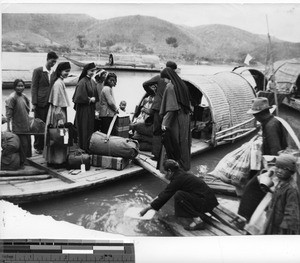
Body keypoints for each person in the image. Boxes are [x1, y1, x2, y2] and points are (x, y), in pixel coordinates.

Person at [238, 97, 288, 222]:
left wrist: (269, 171)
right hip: (274, 164)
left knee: (251, 188)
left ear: (260, 114)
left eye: (255, 115)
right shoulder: (272, 122)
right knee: (252, 182)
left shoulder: (271, 126)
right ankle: (251, 217)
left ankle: (244, 218)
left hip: (274, 166)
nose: (255, 117)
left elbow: (275, 151)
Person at [139, 159, 219, 231]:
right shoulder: (179, 173)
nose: (164, 175)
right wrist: (153, 202)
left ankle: (197, 220)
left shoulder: (178, 179)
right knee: (179, 194)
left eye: (165, 172)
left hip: (206, 203)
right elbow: (167, 191)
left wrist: (147, 208)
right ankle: (185, 215)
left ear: (170, 171)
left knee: (179, 195)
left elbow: (166, 195)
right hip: (209, 200)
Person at [142, 61, 178, 160]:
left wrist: (152, 93)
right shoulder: (175, 80)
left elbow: (145, 84)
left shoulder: (159, 77)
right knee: (166, 131)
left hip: (158, 108)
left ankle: (157, 155)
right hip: (169, 109)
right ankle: (167, 154)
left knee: (157, 131)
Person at [159, 67, 192, 171]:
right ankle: (184, 166)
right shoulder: (181, 84)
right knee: (184, 142)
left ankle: (171, 169)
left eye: (164, 78)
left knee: (172, 142)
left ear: (168, 77)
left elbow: (172, 108)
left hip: (175, 118)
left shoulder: (170, 86)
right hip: (185, 117)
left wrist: (164, 124)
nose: (164, 81)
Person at [264, 154, 300, 234]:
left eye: (284, 169)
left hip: (282, 228)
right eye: (278, 167)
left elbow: (291, 212)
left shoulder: (291, 189)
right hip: (273, 221)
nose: (279, 171)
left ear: (291, 172)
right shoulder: (280, 183)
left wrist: (285, 231)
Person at [44, 62, 71, 166]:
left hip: (58, 111)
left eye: (68, 71)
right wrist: (59, 119)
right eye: (66, 71)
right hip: (57, 113)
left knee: (58, 136)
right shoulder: (58, 84)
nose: (67, 73)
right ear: (60, 71)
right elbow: (57, 104)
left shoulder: (59, 82)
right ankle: (57, 160)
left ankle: (57, 159)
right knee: (58, 135)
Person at [31, 51, 58, 154]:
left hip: (49, 103)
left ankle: (45, 145)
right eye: (52, 61)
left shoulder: (53, 73)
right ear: (47, 59)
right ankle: (38, 146)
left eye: (55, 62)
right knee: (38, 125)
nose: (53, 64)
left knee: (48, 125)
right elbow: (34, 87)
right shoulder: (38, 71)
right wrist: (34, 103)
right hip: (40, 102)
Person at [72, 62, 98, 151]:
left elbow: (96, 94)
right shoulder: (82, 82)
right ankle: (83, 147)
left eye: (94, 71)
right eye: (91, 71)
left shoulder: (92, 81)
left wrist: (94, 99)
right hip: (83, 109)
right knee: (84, 128)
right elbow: (78, 97)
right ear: (86, 71)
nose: (93, 73)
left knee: (90, 127)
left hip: (90, 109)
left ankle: (88, 146)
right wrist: (90, 100)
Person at [5, 79, 32, 166]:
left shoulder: (24, 96)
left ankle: (24, 160)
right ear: (14, 87)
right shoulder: (12, 98)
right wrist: (8, 128)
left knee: (27, 144)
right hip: (17, 126)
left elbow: (28, 109)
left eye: (22, 86)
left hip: (26, 124)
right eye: (18, 86)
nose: (20, 88)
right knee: (22, 144)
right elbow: (8, 115)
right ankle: (21, 162)